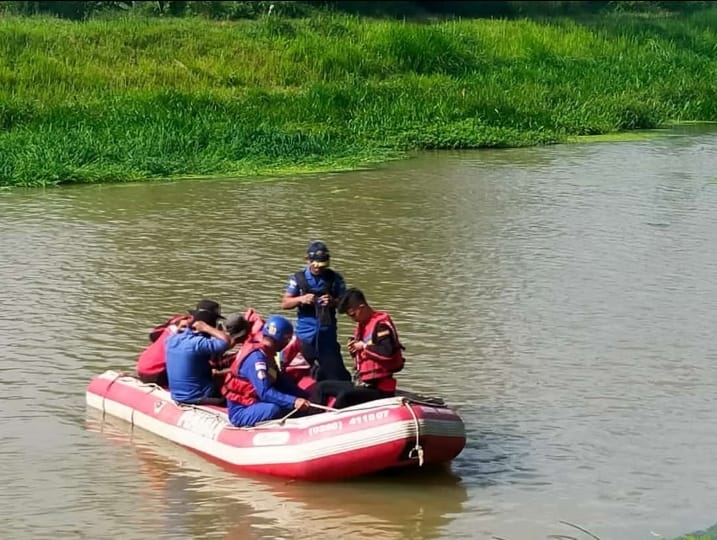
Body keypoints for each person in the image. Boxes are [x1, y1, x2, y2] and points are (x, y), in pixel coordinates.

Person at [311, 288, 405, 409]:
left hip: (380, 388)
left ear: (362, 307)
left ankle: (336, 422)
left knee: (345, 396)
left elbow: (387, 353)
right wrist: (355, 351)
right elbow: (364, 359)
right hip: (362, 384)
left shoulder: (381, 325)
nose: (353, 319)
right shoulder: (362, 327)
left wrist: (363, 346)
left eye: (353, 315)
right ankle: (312, 418)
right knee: (322, 387)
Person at [280, 241, 352, 382]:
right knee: (290, 375)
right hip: (305, 337)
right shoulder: (298, 279)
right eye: (315, 264)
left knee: (339, 378)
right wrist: (301, 299)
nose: (318, 268)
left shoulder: (335, 279)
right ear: (308, 260)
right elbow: (285, 303)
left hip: (328, 336)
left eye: (322, 265)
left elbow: (347, 305)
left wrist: (334, 302)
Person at [222, 315, 311, 427]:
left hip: (255, 401)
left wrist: (304, 396)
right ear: (283, 339)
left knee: (286, 395)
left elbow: (280, 380)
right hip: (242, 410)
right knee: (274, 409)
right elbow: (265, 392)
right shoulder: (257, 359)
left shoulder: (267, 352)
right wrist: (294, 401)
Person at [136, 299, 224, 386]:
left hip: (142, 367)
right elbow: (208, 358)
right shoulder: (197, 331)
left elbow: (153, 336)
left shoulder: (178, 321)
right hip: (157, 373)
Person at [165, 309, 232, 405]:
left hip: (177, 394)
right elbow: (226, 341)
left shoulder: (171, 339)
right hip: (197, 395)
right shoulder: (198, 343)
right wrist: (207, 328)